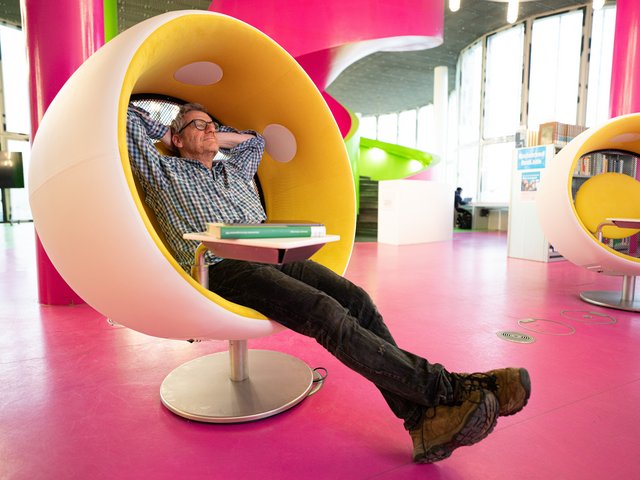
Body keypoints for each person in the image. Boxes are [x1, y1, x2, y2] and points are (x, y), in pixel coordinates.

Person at [126, 102, 531, 464]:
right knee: (324, 312)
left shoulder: (235, 166)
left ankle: (421, 418)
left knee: (357, 299)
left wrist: (208, 129)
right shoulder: (163, 168)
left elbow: (255, 141)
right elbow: (128, 122)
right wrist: (175, 131)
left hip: (273, 255)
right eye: (198, 126)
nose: (211, 130)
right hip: (222, 265)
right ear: (176, 138)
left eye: (213, 124)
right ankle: (450, 389)